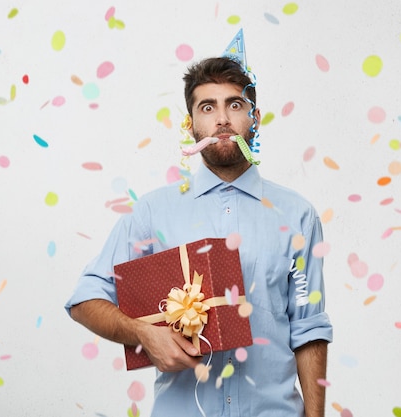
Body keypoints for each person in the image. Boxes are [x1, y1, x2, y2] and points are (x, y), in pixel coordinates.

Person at [66, 51, 333, 417]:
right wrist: (144, 335)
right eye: (207, 108)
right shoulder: (151, 213)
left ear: (254, 117)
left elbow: (308, 326)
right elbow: (85, 300)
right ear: (191, 124)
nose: (222, 119)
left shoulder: (297, 216)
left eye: (234, 104)